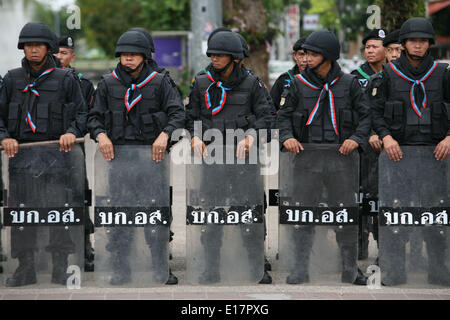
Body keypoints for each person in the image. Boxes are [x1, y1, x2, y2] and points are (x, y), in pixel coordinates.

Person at [88, 30, 184, 285]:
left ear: (145, 56)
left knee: (155, 215)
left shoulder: (161, 81)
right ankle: (121, 268)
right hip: (118, 161)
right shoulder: (108, 83)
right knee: (120, 216)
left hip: (152, 162)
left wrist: (165, 134)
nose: (127, 59)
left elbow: (177, 114)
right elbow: (93, 117)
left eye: (133, 54)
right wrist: (100, 135)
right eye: (123, 55)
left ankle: (159, 266)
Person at [276, 30, 371, 285]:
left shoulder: (349, 84)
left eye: (313, 54)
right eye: (305, 53)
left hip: (341, 161)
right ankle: (300, 268)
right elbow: (282, 117)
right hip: (306, 161)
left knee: (344, 215)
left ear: (328, 56)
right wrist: (286, 137)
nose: (306, 58)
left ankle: (350, 269)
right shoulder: (296, 84)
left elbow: (366, 117)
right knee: (303, 214)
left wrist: (356, 139)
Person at [0, 21, 87, 287]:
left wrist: (72, 131)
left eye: (38, 45)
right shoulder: (12, 79)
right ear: (22, 48)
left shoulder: (66, 79)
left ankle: (61, 266)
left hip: (57, 155)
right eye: (28, 45)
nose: (33, 49)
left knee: (58, 211)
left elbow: (83, 114)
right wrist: (5, 137)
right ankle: (26, 268)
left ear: (48, 48)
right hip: (21, 157)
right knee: (22, 215)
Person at [185, 31, 274, 284]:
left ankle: (255, 265)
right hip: (211, 162)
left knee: (250, 213)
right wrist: (194, 136)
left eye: (220, 55)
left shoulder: (252, 83)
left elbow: (267, 117)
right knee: (211, 214)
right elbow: (190, 116)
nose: (214, 58)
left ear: (235, 58)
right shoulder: (201, 83)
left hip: (244, 162)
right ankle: (211, 267)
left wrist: (252, 137)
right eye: (212, 54)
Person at [370, 17, 450, 286]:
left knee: (435, 215)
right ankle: (394, 270)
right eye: (413, 40)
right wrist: (386, 136)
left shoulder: (443, 73)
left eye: (423, 40)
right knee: (396, 215)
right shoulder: (389, 74)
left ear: (429, 43)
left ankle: (438, 269)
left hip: (436, 157)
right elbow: (376, 112)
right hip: (398, 157)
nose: (418, 44)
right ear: (403, 44)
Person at [53, 35, 96, 272]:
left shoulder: (83, 83)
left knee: (79, 198)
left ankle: (84, 250)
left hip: (73, 151)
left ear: (72, 56)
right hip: (44, 149)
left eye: (64, 53)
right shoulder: (39, 81)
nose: (60, 57)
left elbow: (88, 116)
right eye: (56, 53)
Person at [352, 28, 387, 261]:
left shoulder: (394, 75)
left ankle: (385, 247)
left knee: (384, 198)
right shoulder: (356, 77)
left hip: (387, 148)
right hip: (364, 149)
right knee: (362, 197)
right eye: (367, 47)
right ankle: (360, 245)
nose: (370, 51)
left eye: (375, 46)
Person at [270, 37, 308, 111]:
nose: (305, 60)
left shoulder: (319, 80)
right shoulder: (284, 79)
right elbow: (271, 108)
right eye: (301, 54)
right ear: (294, 55)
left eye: (308, 55)